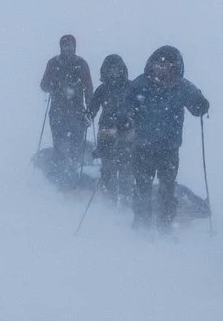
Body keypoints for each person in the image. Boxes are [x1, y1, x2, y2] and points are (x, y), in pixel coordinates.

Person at [128, 45, 209, 232]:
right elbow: (126, 106)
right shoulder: (140, 84)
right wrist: (125, 118)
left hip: (168, 149)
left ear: (175, 67)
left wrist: (201, 104)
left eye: (167, 65)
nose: (162, 68)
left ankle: (165, 225)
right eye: (159, 64)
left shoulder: (182, 87)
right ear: (152, 64)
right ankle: (141, 225)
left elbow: (197, 105)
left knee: (167, 189)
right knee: (142, 187)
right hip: (142, 147)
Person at [39, 35, 93, 174]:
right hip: (58, 111)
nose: (68, 48)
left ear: (75, 46)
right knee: (59, 142)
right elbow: (44, 85)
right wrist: (52, 83)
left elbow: (88, 87)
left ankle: (73, 170)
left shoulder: (81, 64)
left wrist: (89, 109)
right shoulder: (53, 63)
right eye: (66, 45)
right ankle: (61, 171)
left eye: (70, 45)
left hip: (77, 111)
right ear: (61, 47)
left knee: (76, 142)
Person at [88, 54, 137, 205]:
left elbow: (139, 107)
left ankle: (126, 200)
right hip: (106, 132)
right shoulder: (102, 89)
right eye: (111, 69)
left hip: (127, 133)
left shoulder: (131, 87)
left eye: (117, 68)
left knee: (126, 168)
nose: (114, 72)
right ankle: (109, 200)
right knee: (108, 167)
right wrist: (88, 114)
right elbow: (93, 106)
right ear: (105, 71)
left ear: (122, 70)